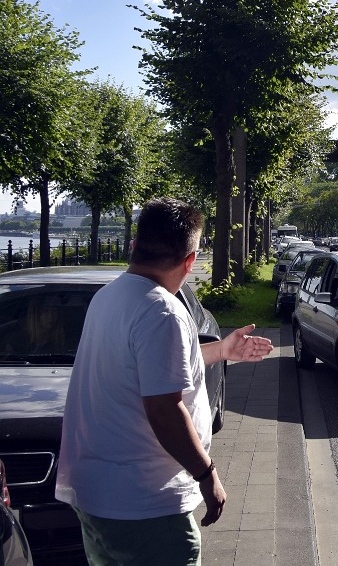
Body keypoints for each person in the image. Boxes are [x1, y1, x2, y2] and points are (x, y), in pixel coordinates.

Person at [55, 197, 273, 565]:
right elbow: (163, 408)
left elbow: (147, 370)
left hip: (99, 499)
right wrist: (207, 474)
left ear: (134, 246)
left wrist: (221, 351)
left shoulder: (110, 296)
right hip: (145, 505)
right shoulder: (162, 311)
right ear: (190, 261)